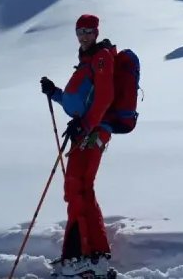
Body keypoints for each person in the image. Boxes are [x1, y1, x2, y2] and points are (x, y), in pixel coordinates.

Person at [40, 14, 115, 277]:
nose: (83, 35)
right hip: (86, 130)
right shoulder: (88, 60)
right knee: (81, 187)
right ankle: (94, 255)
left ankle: (80, 256)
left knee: (77, 186)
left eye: (88, 31)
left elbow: (105, 96)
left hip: (93, 132)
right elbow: (80, 100)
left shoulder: (101, 57)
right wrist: (55, 93)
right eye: (79, 31)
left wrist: (85, 125)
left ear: (96, 32)